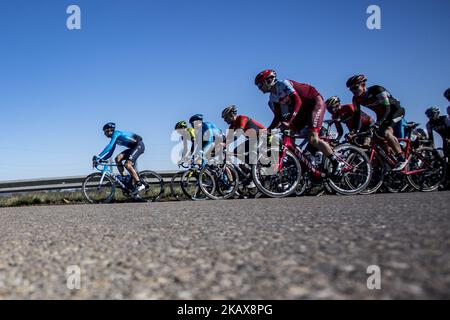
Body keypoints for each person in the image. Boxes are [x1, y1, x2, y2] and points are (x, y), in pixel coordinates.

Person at [255, 69, 344, 175]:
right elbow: (278, 117)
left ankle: (336, 162)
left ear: (269, 80)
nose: (259, 89)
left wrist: (289, 121)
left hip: (314, 103)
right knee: (288, 135)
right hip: (302, 111)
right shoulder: (273, 97)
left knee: (313, 138)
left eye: (260, 85)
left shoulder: (283, 84)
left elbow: (298, 101)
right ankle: (306, 164)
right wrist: (268, 131)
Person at [346, 75, 407, 171]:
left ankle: (401, 158)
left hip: (394, 111)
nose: (353, 91)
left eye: (355, 87)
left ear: (363, 85)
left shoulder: (377, 90)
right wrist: (354, 131)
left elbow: (387, 108)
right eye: (351, 89)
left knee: (387, 132)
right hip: (381, 116)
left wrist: (379, 123)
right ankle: (387, 162)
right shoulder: (356, 99)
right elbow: (357, 116)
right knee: (376, 139)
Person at [94, 122, 145, 194]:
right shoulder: (115, 138)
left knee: (127, 165)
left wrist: (99, 156)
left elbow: (110, 146)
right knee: (117, 159)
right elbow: (110, 153)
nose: (104, 134)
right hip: (133, 148)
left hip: (139, 146)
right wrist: (101, 160)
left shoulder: (116, 133)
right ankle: (124, 178)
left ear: (109, 130)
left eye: (104, 132)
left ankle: (139, 184)